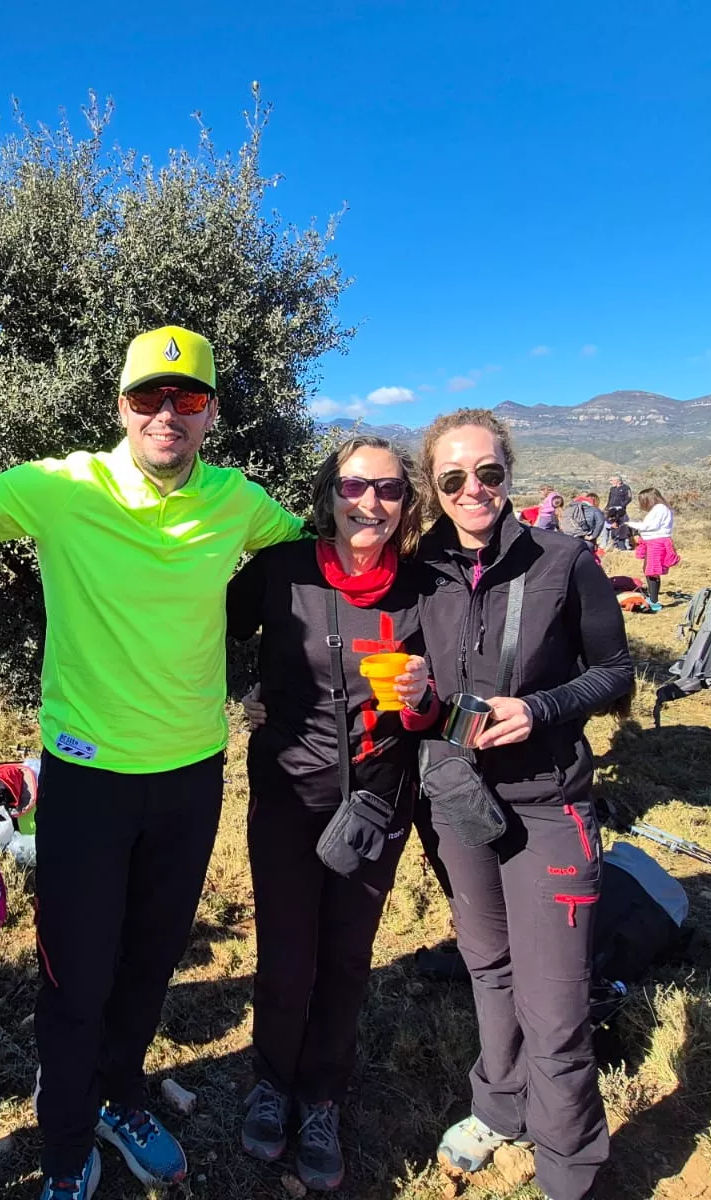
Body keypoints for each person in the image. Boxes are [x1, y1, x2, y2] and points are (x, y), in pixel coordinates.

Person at [0, 326, 306, 1200]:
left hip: (191, 776)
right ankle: (64, 1143)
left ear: (212, 413)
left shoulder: (239, 502)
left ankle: (121, 1093)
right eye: (148, 397)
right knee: (76, 974)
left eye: (187, 399)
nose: (166, 414)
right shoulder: (61, 488)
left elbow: (320, 561)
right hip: (86, 781)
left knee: (148, 962)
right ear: (121, 408)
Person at [414, 408, 633, 1200]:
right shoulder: (423, 562)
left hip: (549, 803)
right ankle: (498, 1107)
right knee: (489, 965)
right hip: (459, 800)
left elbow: (615, 674)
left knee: (557, 1004)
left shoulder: (564, 557)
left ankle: (571, 1172)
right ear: (433, 490)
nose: (474, 489)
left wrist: (538, 709)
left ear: (509, 473)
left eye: (489, 473)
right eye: (453, 478)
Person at [227, 436, 439, 1191]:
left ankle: (321, 1097)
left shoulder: (424, 587)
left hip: (378, 798)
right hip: (289, 789)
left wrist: (423, 703)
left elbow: (441, 699)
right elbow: (211, 632)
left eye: (387, 490)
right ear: (329, 493)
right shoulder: (283, 572)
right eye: (354, 486)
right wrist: (242, 697)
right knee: (287, 952)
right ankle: (270, 1083)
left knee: (347, 956)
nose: (369, 503)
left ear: (406, 503)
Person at [627, 486, 677, 610]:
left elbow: (650, 526)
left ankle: (654, 602)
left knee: (653, 572)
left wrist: (630, 524)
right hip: (651, 542)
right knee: (648, 570)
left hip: (656, 542)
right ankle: (652, 597)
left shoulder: (660, 509)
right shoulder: (658, 509)